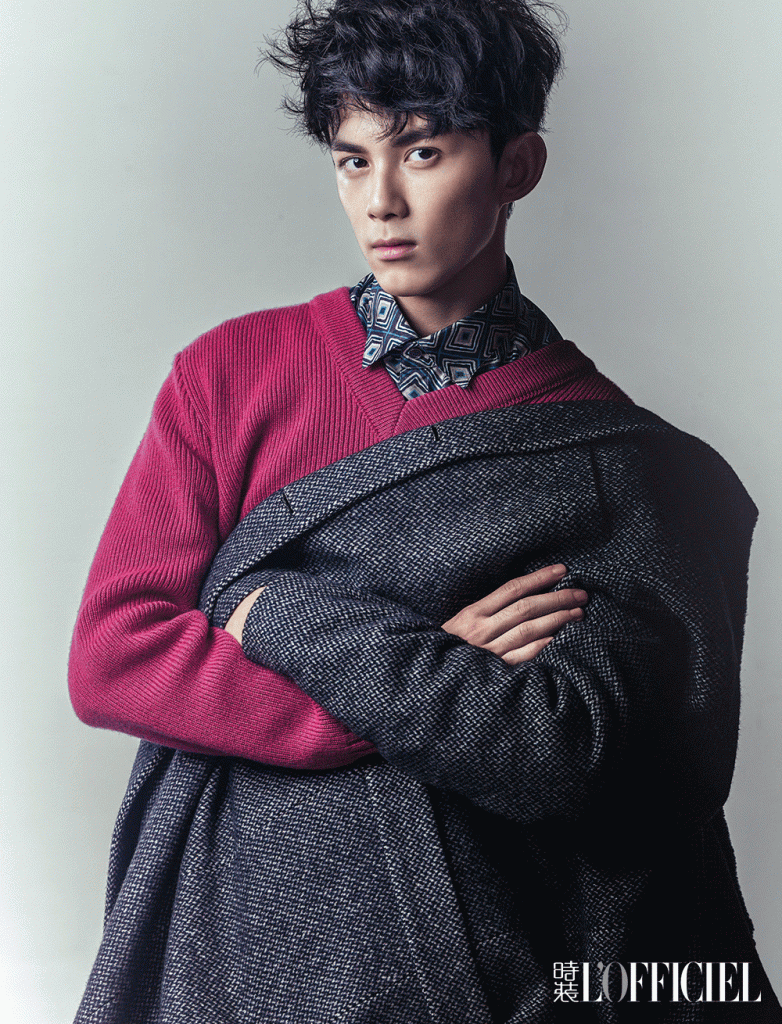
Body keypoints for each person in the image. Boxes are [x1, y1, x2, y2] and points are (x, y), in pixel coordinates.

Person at [69, 1, 780, 1020]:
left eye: (423, 153)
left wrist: (290, 625)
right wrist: (398, 694)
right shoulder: (228, 373)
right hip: (233, 939)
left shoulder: (608, 460)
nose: (382, 202)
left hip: (471, 969)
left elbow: (580, 762)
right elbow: (114, 653)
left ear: (516, 165)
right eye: (352, 161)